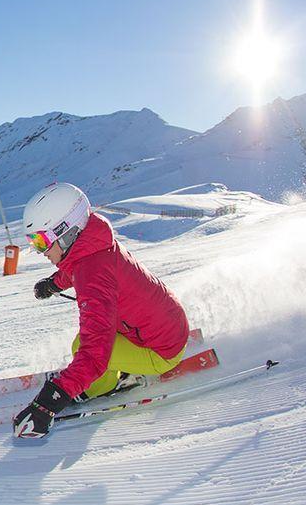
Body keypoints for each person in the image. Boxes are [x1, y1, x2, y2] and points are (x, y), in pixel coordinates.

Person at [11, 182, 190, 438]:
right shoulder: (94, 244)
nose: (39, 251)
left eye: (41, 241)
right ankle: (116, 369)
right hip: (164, 324)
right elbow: (77, 268)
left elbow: (96, 353)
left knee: (82, 347)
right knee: (80, 342)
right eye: (33, 242)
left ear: (66, 232)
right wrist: (53, 283)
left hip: (159, 351)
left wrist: (51, 400)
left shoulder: (92, 274)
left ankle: (102, 387)